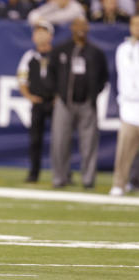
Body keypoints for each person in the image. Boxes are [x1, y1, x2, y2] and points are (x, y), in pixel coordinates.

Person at [48, 17, 108, 189]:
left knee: (89, 143)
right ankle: (60, 177)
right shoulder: (62, 50)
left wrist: (93, 95)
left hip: (87, 104)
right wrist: (57, 94)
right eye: (78, 25)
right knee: (59, 141)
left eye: (84, 25)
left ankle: (88, 179)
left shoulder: (95, 52)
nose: (81, 28)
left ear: (88, 28)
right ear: (72, 28)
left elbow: (103, 77)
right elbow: (51, 73)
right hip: (64, 102)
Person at [17, 20, 54, 183]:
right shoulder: (29, 56)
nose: (40, 35)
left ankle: (62, 174)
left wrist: (58, 98)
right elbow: (22, 79)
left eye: (43, 32)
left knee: (60, 140)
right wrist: (29, 97)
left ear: (50, 35)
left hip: (55, 103)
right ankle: (34, 173)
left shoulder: (57, 54)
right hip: (37, 103)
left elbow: (64, 78)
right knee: (35, 140)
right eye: (37, 32)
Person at [109, 15, 139, 196]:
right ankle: (119, 183)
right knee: (124, 149)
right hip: (129, 106)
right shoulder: (123, 49)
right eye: (134, 24)